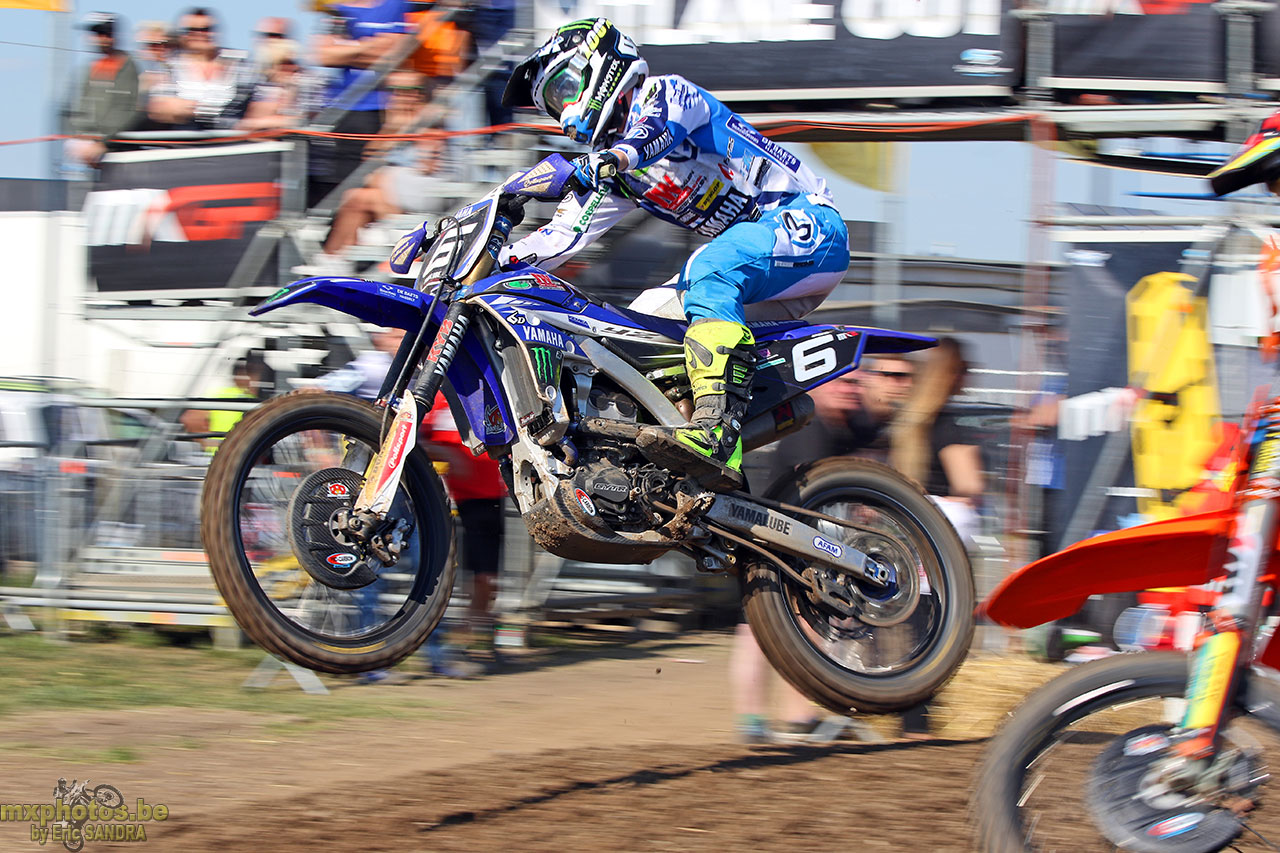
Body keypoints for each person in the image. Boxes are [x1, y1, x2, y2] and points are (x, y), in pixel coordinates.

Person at [492, 17, 850, 490]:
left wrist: (604, 162)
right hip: (754, 268)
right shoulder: (613, 168)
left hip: (809, 226)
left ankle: (716, 432)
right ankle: (668, 468)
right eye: (551, 105)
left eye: (563, 90)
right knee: (635, 327)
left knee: (708, 267)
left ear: (598, 65)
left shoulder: (666, 94)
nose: (562, 114)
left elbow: (652, 135)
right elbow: (559, 239)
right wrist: (487, 259)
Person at [309, 0, 411, 208]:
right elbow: (324, 55)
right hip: (340, 111)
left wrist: (350, 48)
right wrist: (372, 46)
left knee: (370, 185)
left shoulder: (394, 5)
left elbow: (395, 54)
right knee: (338, 191)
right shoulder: (336, 8)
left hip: (377, 111)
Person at [889, 337, 984, 543]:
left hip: (913, 522)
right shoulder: (950, 426)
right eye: (965, 369)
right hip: (944, 530)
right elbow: (969, 484)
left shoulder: (908, 422)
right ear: (953, 373)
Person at [146, 8, 255, 130]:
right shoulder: (168, 66)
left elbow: (256, 101)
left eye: (206, 29)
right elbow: (159, 107)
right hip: (186, 136)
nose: (200, 34)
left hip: (233, 135)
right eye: (191, 30)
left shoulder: (240, 62)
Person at [65, 12, 142, 168]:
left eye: (99, 33)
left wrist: (103, 144)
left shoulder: (126, 66)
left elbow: (127, 110)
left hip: (117, 153)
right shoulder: (91, 67)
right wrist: (78, 137)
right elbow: (77, 108)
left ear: (110, 35)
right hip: (91, 153)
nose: (94, 38)